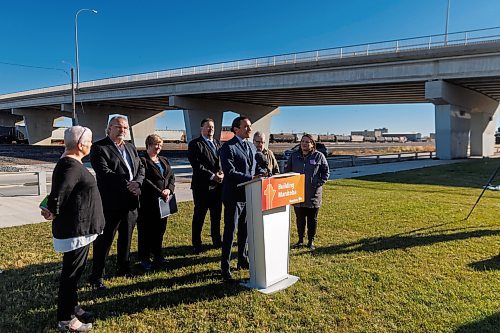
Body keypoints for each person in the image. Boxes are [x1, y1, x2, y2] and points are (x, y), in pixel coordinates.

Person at [41, 126, 105, 332]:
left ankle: (73, 307)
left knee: (74, 273)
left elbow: (59, 190)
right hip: (76, 230)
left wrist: (49, 205)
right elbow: (61, 191)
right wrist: (51, 208)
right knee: (71, 275)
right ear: (80, 144)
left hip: (80, 229)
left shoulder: (69, 162)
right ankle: (66, 319)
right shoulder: (71, 165)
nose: (92, 144)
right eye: (90, 141)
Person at [88, 115, 145, 289]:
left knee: (126, 238)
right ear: (109, 128)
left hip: (130, 202)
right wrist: (128, 184)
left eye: (125, 128)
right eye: (119, 127)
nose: (123, 131)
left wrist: (138, 183)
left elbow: (141, 167)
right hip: (111, 203)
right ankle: (96, 276)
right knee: (104, 241)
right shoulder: (99, 148)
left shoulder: (130, 147)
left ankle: (123, 268)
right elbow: (104, 172)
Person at [219, 116, 265, 282]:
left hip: (249, 194)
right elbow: (229, 172)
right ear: (235, 129)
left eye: (250, 126)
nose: (249, 129)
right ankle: (225, 266)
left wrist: (262, 172)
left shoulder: (252, 146)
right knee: (231, 231)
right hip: (233, 196)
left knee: (245, 230)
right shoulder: (227, 148)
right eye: (245, 126)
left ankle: (242, 259)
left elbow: (256, 165)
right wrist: (251, 177)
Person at [285, 133, 329, 251]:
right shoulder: (294, 156)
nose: (304, 144)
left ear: (312, 144)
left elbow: (326, 172)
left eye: (307, 142)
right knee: (300, 219)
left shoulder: (318, 156)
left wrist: (318, 183)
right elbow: (287, 171)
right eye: (302, 141)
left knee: (312, 219)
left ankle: (311, 241)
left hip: (313, 194)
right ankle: (300, 240)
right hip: (297, 194)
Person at [137, 134, 175, 271]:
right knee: (146, 231)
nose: (158, 147)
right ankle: (144, 258)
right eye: (155, 144)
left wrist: (169, 190)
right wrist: (160, 191)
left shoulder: (164, 160)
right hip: (148, 202)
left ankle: (158, 254)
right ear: (148, 145)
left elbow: (171, 177)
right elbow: (144, 180)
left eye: (160, 144)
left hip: (164, 202)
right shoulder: (142, 160)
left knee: (160, 230)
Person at [187, 118, 223, 254]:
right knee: (199, 216)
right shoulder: (195, 144)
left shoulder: (217, 143)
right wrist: (212, 176)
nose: (211, 129)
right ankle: (196, 243)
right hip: (202, 188)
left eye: (212, 127)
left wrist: (222, 174)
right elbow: (197, 166)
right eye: (208, 127)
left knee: (216, 216)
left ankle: (216, 240)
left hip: (217, 187)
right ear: (201, 128)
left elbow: (221, 162)